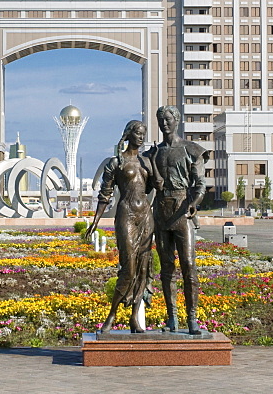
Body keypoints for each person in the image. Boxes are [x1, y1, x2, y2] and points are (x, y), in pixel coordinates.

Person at [85, 120, 155, 333]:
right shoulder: (116, 162)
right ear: (128, 134)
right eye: (138, 133)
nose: (141, 138)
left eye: (144, 134)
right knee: (129, 267)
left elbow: (156, 186)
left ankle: (135, 316)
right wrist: (95, 221)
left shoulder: (147, 162)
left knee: (143, 268)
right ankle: (112, 314)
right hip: (126, 214)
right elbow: (105, 194)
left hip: (146, 216)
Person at [149, 105, 207, 334]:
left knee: (189, 265)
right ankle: (172, 317)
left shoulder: (191, 150)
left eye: (168, 119)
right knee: (166, 268)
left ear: (177, 121)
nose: (164, 123)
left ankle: (192, 318)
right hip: (161, 211)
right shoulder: (153, 153)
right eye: (161, 119)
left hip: (182, 210)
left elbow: (200, 183)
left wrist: (194, 203)